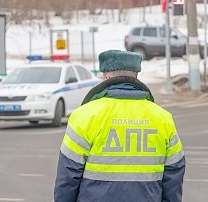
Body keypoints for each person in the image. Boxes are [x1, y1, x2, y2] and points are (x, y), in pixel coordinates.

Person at [54, 50, 185, 202]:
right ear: (136, 76)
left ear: (107, 77)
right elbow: (174, 172)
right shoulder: (163, 119)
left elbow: (68, 175)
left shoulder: (85, 116)